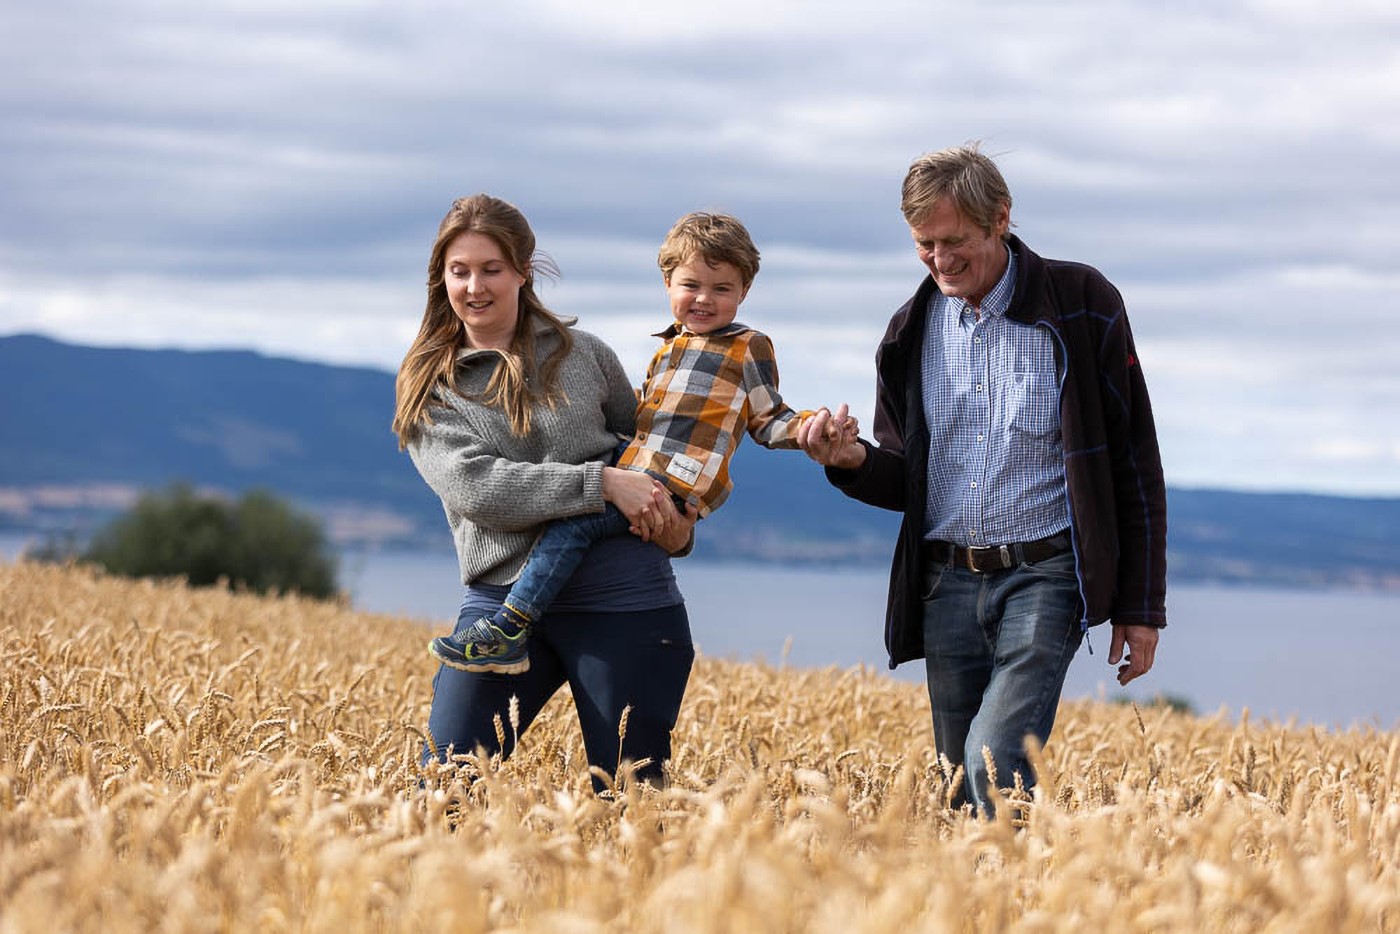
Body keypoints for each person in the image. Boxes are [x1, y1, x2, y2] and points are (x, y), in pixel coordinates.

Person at [797, 144, 1167, 816]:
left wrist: (1141, 608)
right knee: (955, 787)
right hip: (945, 583)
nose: (939, 260)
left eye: (954, 241)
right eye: (923, 244)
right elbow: (906, 478)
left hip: (1046, 576)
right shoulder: (908, 331)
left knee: (992, 762)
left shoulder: (1083, 302)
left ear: (1000, 218)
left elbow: (1133, 458)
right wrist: (848, 461)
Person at [428, 211, 857, 674]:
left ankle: (511, 625)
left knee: (575, 525)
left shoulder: (748, 347)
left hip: (673, 478)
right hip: (637, 466)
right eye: (691, 285)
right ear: (668, 283)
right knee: (586, 506)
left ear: (744, 292)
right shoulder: (667, 350)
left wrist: (814, 429)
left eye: (722, 289)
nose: (704, 300)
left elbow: (769, 417)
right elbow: (639, 421)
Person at [393, 194, 696, 790]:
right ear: (441, 278)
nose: (474, 286)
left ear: (523, 271)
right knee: (444, 791)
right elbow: (478, 489)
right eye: (460, 271)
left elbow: (650, 459)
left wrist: (677, 524)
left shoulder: (585, 355)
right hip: (503, 608)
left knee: (633, 799)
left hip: (624, 597)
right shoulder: (431, 385)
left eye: (491, 269)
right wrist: (600, 482)